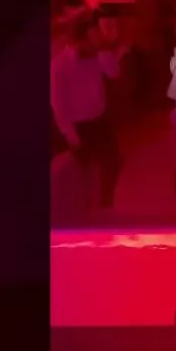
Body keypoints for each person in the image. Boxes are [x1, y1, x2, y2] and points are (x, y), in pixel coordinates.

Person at [50, 17, 124, 210]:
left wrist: (104, 51)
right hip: (76, 125)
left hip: (99, 120)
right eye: (93, 37)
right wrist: (71, 135)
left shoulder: (98, 56)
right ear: (80, 39)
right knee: (82, 173)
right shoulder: (60, 64)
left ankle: (105, 203)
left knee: (113, 161)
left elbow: (114, 73)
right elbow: (58, 104)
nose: (97, 41)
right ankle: (85, 208)